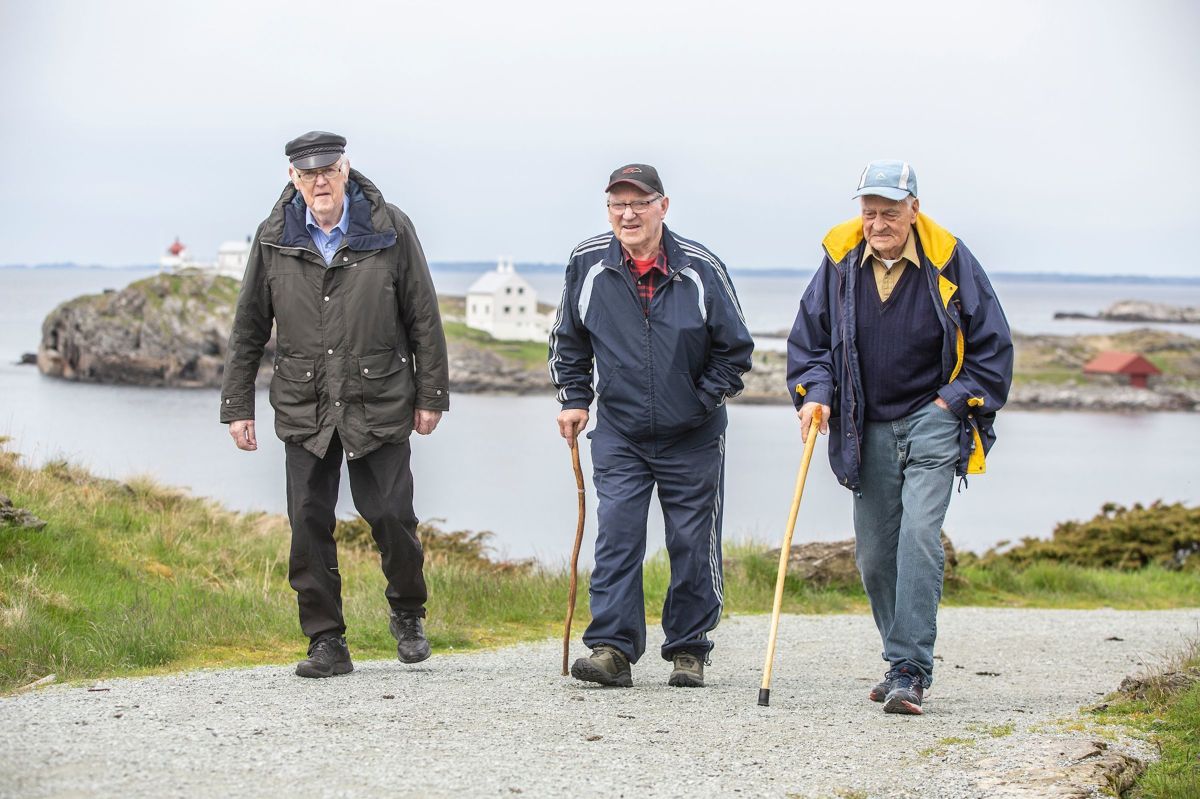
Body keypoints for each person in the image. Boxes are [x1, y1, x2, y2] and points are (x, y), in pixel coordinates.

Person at [786, 160, 1013, 714]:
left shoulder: (950, 260)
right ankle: (898, 660)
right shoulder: (839, 262)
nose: (879, 221)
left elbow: (993, 347)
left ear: (914, 209)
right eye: (870, 211)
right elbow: (810, 343)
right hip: (865, 427)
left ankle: (911, 667)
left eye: (890, 210)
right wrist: (815, 391)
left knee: (918, 539)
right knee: (874, 557)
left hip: (933, 421)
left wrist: (951, 402)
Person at [220, 131, 450, 678]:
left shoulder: (390, 226)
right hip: (305, 402)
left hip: (380, 397)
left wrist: (431, 394)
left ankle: (408, 612)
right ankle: (326, 640)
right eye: (307, 173)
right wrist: (237, 405)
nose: (319, 181)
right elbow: (250, 325)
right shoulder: (273, 236)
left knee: (392, 517)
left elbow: (423, 313)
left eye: (328, 169)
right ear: (293, 179)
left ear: (346, 169)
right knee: (307, 523)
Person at [550, 163, 754, 688]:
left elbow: (736, 351)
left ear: (663, 206)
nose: (627, 214)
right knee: (617, 535)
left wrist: (698, 401)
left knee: (691, 540)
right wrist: (575, 398)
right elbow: (568, 338)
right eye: (617, 204)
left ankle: (688, 648)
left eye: (639, 203)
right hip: (619, 430)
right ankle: (612, 649)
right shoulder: (588, 263)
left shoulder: (700, 268)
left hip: (694, 433)